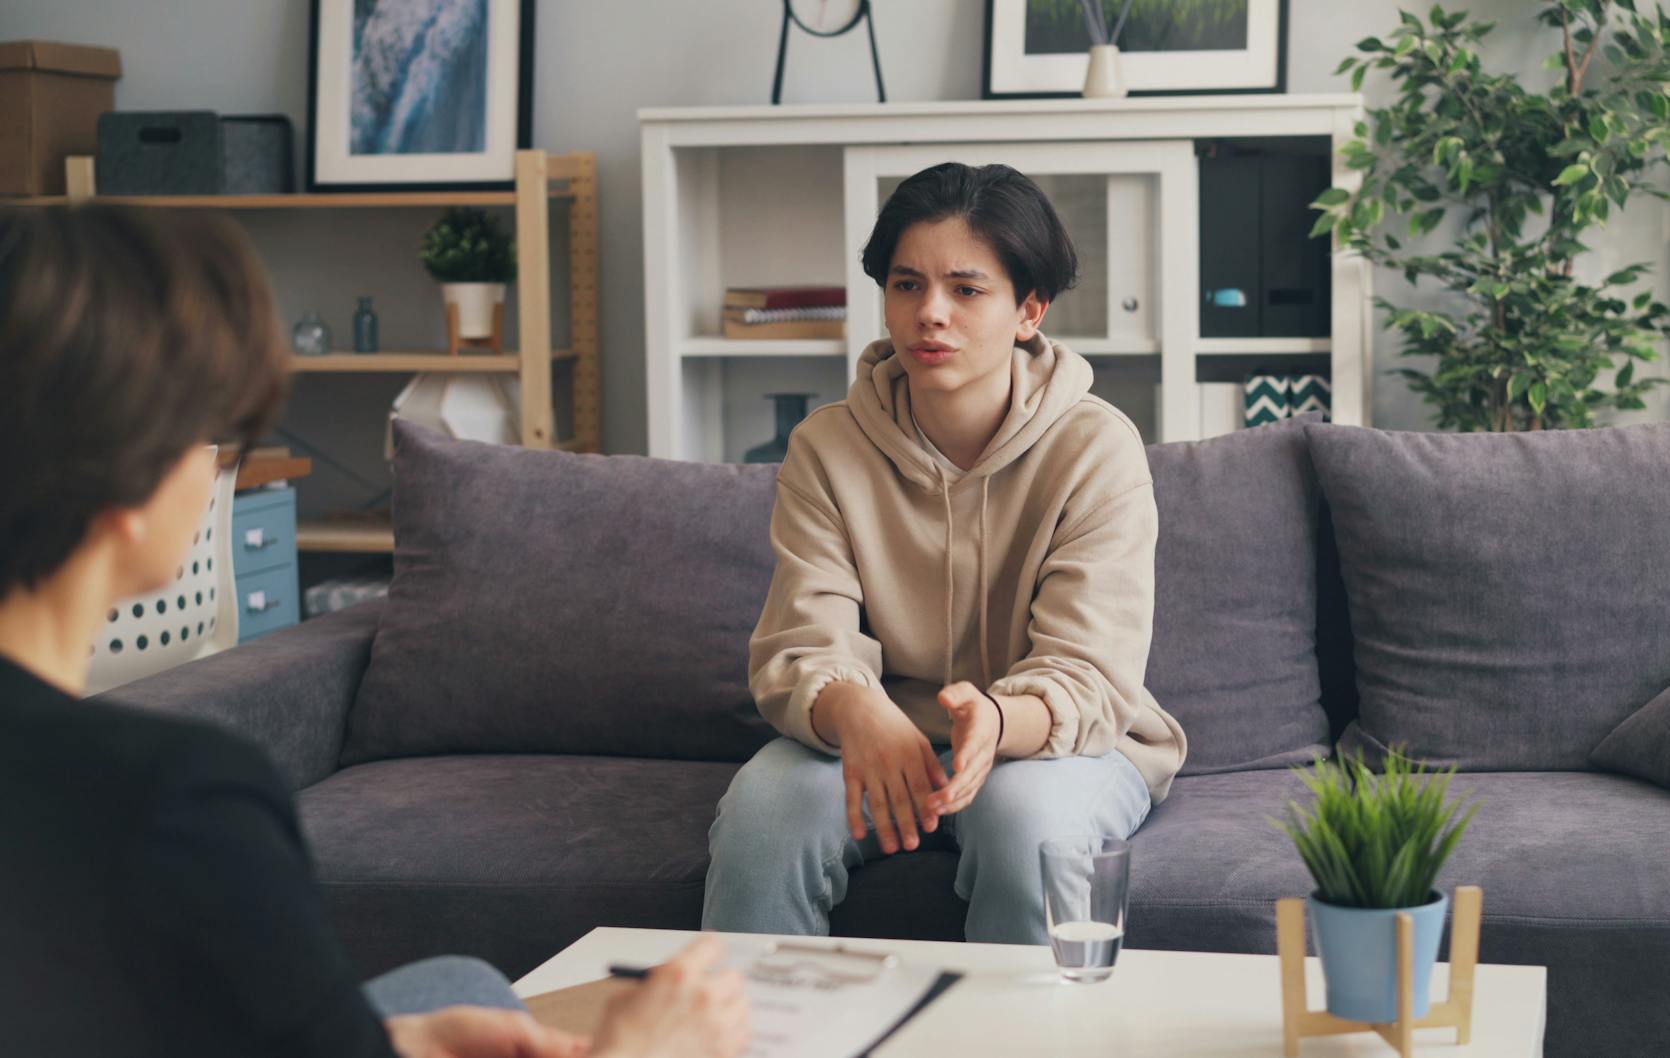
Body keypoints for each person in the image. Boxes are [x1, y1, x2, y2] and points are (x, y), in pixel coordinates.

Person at [0, 205, 749, 1058]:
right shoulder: (172, 803)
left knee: (456, 987)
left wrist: (396, 1042)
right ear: (126, 487)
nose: (217, 465)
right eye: (208, 432)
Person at [704, 162, 1188, 943]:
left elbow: (1091, 671)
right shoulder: (828, 447)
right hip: (876, 733)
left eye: (966, 290)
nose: (930, 314)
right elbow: (802, 640)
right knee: (764, 818)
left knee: (1029, 824)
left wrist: (997, 719)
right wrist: (858, 708)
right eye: (906, 285)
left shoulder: (1097, 448)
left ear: (1029, 309)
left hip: (1050, 742)